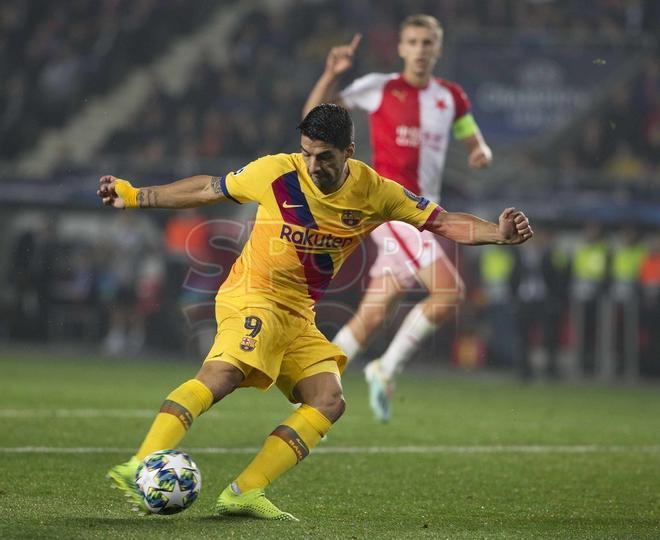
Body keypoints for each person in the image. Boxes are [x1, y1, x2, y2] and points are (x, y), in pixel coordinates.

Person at [99, 104, 532, 521]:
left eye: (324, 157)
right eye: (307, 153)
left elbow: (441, 220)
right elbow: (210, 188)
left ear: (349, 152)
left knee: (329, 399)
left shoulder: (375, 192)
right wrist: (137, 195)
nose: (312, 165)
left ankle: (244, 491)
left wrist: (497, 233)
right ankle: (137, 464)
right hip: (253, 295)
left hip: (297, 313)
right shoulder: (276, 171)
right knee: (223, 373)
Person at [303, 14, 493, 421]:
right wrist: (330, 74)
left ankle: (318, 374)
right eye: (413, 42)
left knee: (373, 312)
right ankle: (385, 368)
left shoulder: (451, 97)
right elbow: (315, 117)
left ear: (437, 48)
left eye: (428, 42)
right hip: (392, 208)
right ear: (401, 48)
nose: (421, 50)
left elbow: (473, 136)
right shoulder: (379, 87)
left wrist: (480, 151)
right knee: (449, 292)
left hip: (425, 213)